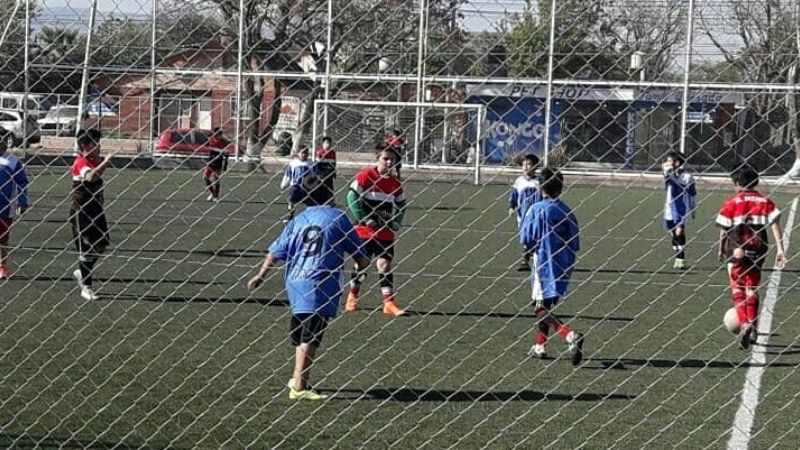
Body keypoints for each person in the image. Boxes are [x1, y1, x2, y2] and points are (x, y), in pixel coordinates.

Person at [247, 174, 370, 401]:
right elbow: (361, 258)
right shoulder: (338, 218)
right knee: (311, 336)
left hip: (295, 282)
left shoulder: (299, 220)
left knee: (302, 333)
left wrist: (260, 275)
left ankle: (296, 378)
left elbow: (276, 252)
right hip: (321, 282)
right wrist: (361, 267)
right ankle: (300, 387)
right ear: (330, 193)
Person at [715, 167, 787, 350]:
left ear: (737, 183)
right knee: (751, 287)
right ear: (755, 182)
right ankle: (753, 326)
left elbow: (723, 229)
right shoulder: (765, 201)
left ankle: (745, 323)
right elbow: (775, 224)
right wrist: (780, 249)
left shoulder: (731, 202)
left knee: (737, 288)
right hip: (758, 249)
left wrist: (721, 249)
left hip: (736, 249)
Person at [520, 167, 583, 366]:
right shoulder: (566, 210)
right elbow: (575, 241)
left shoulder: (536, 209)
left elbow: (526, 238)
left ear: (541, 188)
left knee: (539, 307)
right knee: (545, 304)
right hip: (563, 263)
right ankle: (540, 345)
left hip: (544, 262)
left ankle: (569, 335)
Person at [345, 144, 408, 317]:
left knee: (384, 265)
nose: (389, 162)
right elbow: (351, 196)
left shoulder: (395, 183)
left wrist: (397, 221)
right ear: (377, 159)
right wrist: (363, 218)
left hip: (385, 231)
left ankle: (389, 303)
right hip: (364, 232)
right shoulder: (366, 175)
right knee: (362, 264)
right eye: (385, 159)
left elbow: (402, 204)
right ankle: (353, 296)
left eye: (392, 159)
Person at [70, 128, 113, 301]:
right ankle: (86, 287)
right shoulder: (81, 162)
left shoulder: (93, 160)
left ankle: (83, 270)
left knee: (102, 244)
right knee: (86, 250)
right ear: (84, 145)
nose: (99, 147)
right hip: (82, 212)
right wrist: (106, 162)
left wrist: (101, 163)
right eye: (95, 143)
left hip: (96, 210)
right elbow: (90, 178)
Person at [0, 127, 29, 279]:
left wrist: (22, 201)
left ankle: (2, 266)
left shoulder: (12, 161)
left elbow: (22, 182)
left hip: (5, 206)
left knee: (2, 239)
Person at [662, 151, 696, 269]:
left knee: (679, 231)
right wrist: (667, 171)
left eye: (669, 161)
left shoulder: (687, 177)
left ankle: (680, 258)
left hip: (682, 208)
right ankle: (677, 254)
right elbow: (667, 180)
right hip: (669, 208)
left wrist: (693, 207)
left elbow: (692, 193)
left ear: (677, 162)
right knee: (672, 233)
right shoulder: (668, 174)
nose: (666, 163)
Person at [508, 154, 541, 271]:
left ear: (535, 166)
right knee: (526, 237)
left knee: (535, 235)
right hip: (522, 215)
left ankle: (525, 259)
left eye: (529, 164)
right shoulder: (519, 181)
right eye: (524, 165)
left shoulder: (539, 182)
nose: (526, 167)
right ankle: (529, 255)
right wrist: (512, 206)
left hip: (536, 215)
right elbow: (514, 195)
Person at [280, 146, 312, 222]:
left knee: (309, 202)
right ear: (298, 153)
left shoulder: (311, 163)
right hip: (296, 186)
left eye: (306, 152)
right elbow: (288, 175)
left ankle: (309, 217)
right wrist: (284, 184)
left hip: (307, 187)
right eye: (302, 152)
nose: (304, 154)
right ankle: (290, 216)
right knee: (291, 200)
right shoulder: (293, 163)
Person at [203, 128, 230, 202]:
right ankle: (212, 193)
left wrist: (225, 164)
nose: (215, 135)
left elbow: (229, 142)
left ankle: (216, 196)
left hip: (219, 162)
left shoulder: (223, 141)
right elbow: (207, 146)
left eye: (217, 134)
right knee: (205, 177)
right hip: (211, 161)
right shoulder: (211, 139)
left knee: (216, 179)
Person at [314, 136, 337, 200]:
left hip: (329, 175)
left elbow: (334, 164)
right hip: (322, 176)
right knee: (321, 189)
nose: (328, 145)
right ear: (323, 144)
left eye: (330, 143)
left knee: (330, 189)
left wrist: (334, 173)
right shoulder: (319, 153)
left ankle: (331, 201)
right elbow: (317, 166)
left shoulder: (333, 153)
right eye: (327, 143)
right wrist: (319, 175)